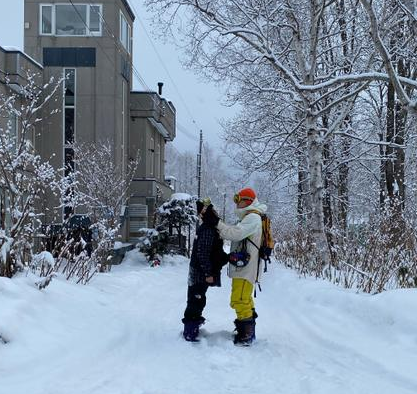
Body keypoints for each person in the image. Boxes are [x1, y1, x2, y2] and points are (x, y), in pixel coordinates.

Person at [216, 187, 267, 346]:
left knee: (240, 299)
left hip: (246, 268)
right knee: (244, 299)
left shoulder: (253, 218)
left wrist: (216, 223)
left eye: (239, 200)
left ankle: (246, 335)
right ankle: (247, 331)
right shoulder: (250, 217)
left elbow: (234, 234)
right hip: (244, 267)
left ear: (248, 201)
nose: (237, 204)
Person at [182, 198, 228, 342]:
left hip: (199, 272)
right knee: (196, 300)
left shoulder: (209, 228)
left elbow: (215, 253)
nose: (215, 213)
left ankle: (193, 328)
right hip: (199, 274)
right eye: (211, 210)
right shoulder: (207, 229)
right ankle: (190, 331)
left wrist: (229, 258)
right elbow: (202, 253)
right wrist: (208, 273)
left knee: (198, 299)